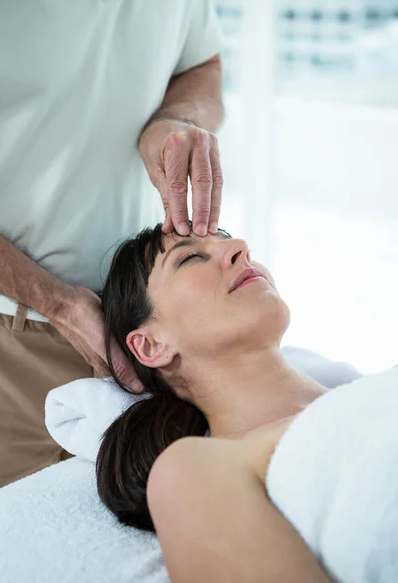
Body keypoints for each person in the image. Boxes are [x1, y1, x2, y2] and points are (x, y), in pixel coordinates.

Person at [0, 0, 225, 487]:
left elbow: (201, 65)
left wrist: (174, 119)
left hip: (130, 325)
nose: (236, 251)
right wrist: (54, 302)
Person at [96, 224, 333, 582]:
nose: (241, 246)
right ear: (150, 346)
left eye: (228, 239)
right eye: (190, 258)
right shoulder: (189, 472)